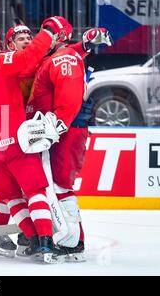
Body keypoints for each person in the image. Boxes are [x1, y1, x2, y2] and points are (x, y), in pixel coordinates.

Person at [0, 18, 68, 263]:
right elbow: (29, 57)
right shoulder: (1, 62)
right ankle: (46, 241)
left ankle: (34, 240)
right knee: (35, 190)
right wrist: (47, 32)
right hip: (14, 141)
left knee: (12, 197)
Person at [24, 24, 112, 262]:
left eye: (49, 32)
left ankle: (72, 243)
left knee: (61, 186)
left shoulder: (64, 59)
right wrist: (84, 43)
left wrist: (57, 127)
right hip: (58, 130)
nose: (43, 36)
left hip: (65, 131)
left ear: (59, 36)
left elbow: (69, 101)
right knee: (56, 185)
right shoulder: (62, 55)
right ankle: (72, 239)